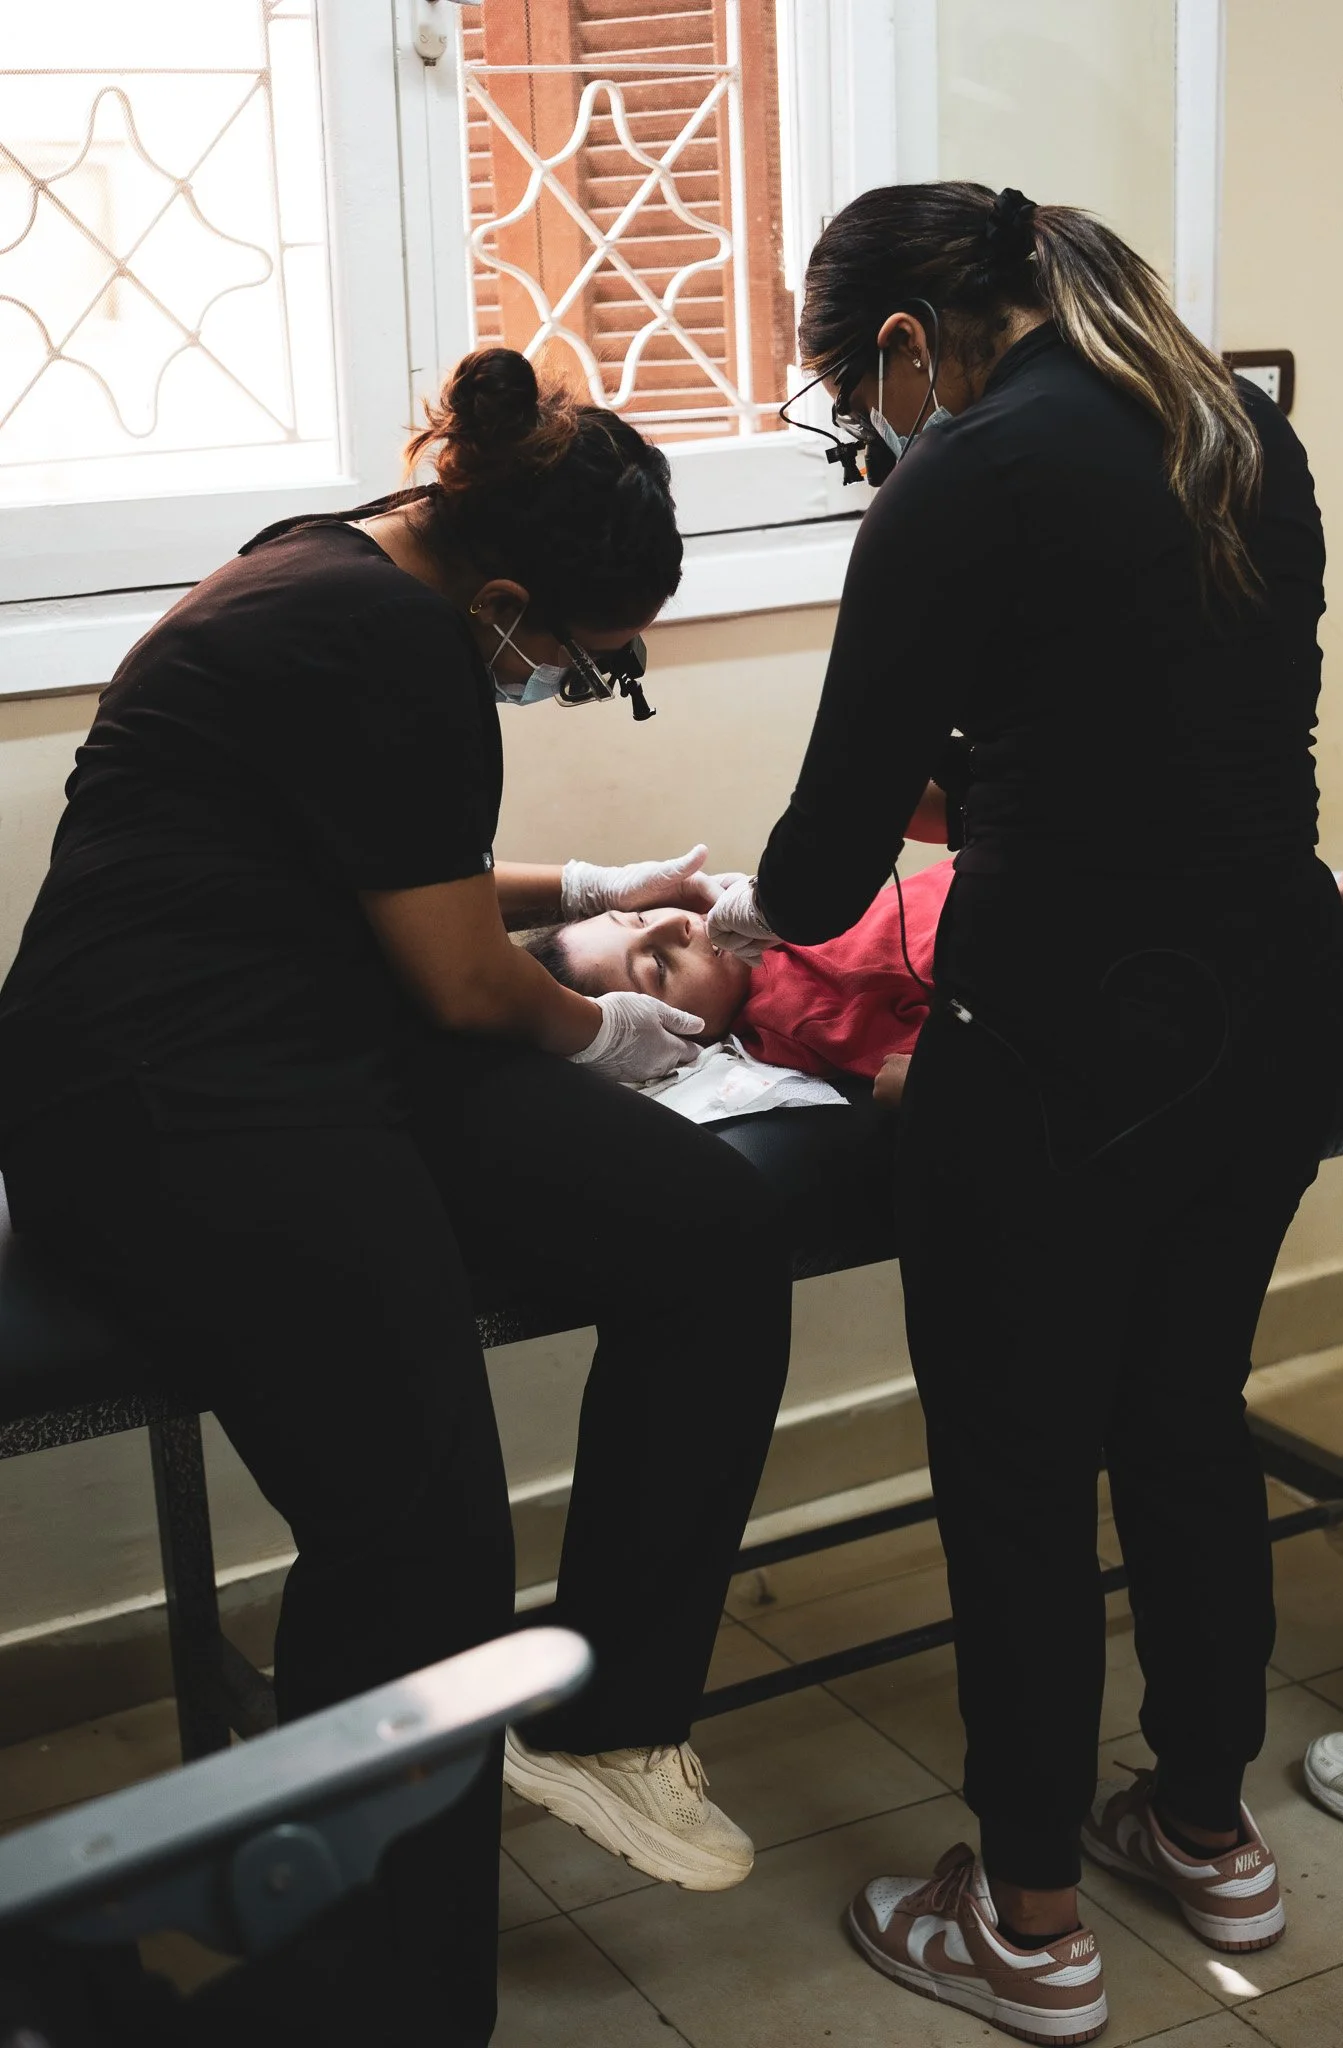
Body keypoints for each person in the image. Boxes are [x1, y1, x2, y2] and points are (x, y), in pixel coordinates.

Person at [0, 349, 794, 2045]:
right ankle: (383, 2003)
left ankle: (605, 1724)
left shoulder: (345, 562)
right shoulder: (387, 637)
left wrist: (587, 887)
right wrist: (604, 1027)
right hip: (166, 1100)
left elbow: (394, 862)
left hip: (314, 1037)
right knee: (421, 1542)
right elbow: (457, 978)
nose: (577, 682)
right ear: (510, 601)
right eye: (585, 658)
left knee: (715, 1234)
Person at [704, 183, 1343, 2045]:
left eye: (855, 392)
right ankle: (1210, 1830)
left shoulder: (962, 473)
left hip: (1063, 1038)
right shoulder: (1235, 428)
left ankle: (1028, 1918)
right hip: (1272, 1011)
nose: (867, 429)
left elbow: (823, 867)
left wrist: (734, 912)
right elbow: (1187, 746)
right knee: (1183, 1417)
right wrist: (988, 782)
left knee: (1016, 1466)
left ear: (909, 344)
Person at [524, 849, 957, 1106]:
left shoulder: (766, 926)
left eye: (638, 917)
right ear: (664, 1037)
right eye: (658, 967)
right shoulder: (801, 1016)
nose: (675, 923)